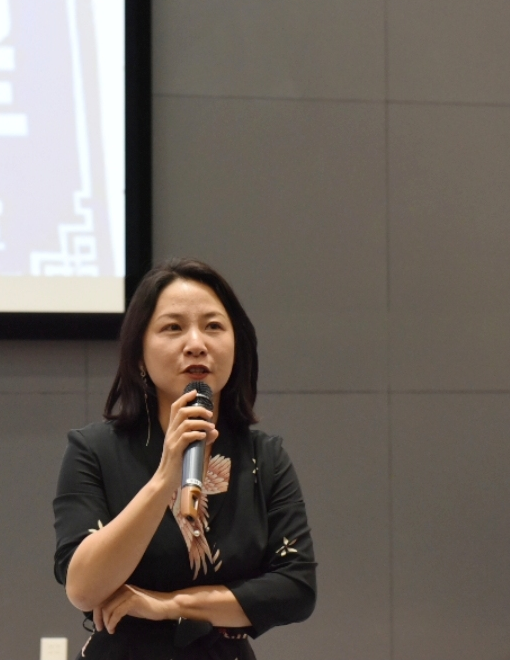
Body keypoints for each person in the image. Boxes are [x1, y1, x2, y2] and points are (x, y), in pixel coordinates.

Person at [53, 258, 317, 659]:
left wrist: (168, 606)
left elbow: (296, 588)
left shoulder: (264, 457)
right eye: (173, 328)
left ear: (237, 345)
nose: (196, 343)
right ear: (139, 353)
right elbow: (84, 588)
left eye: (213, 326)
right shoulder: (95, 450)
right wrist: (165, 477)